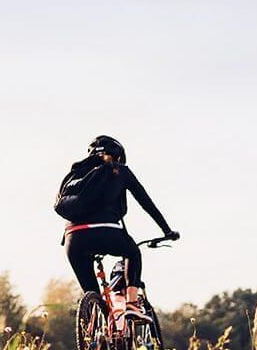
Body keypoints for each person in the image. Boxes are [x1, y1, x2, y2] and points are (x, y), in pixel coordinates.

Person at [60, 135, 179, 321]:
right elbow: (146, 203)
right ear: (118, 156)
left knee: (93, 297)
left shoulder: (77, 172)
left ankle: (95, 337)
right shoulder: (120, 170)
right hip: (107, 231)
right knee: (133, 253)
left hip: (73, 239)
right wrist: (167, 231)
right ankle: (131, 304)